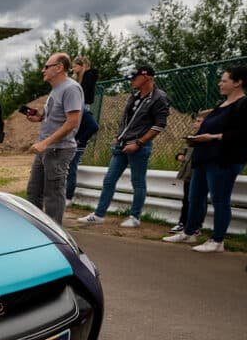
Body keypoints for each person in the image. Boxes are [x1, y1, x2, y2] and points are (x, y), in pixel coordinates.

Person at [163, 66, 247, 253]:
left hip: (224, 159)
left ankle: (217, 240)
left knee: (220, 198)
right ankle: (189, 232)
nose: (220, 83)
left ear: (238, 82)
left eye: (224, 80)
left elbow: (243, 134)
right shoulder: (220, 105)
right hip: (204, 157)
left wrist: (213, 137)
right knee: (195, 197)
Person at [78, 65, 169, 227]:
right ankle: (99, 215)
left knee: (138, 182)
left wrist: (139, 143)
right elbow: (126, 119)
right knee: (109, 180)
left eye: (135, 77)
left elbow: (159, 125)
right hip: (122, 144)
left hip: (139, 147)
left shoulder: (159, 97)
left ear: (147, 76)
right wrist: (118, 136)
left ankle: (135, 217)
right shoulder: (134, 96)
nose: (131, 80)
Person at [25, 53, 83, 223]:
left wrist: (45, 143)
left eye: (46, 66)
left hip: (58, 149)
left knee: (53, 194)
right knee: (34, 191)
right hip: (47, 148)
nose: (43, 70)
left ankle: (54, 232)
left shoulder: (70, 88)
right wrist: (40, 116)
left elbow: (72, 121)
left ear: (59, 67)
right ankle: (35, 228)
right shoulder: (56, 90)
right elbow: (57, 116)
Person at [168, 110, 210, 233]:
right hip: (188, 174)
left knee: (199, 200)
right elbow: (183, 152)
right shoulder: (192, 137)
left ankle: (197, 226)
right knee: (186, 198)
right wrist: (179, 156)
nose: (195, 124)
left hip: (200, 172)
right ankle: (182, 222)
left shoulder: (208, 138)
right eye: (195, 121)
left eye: (199, 121)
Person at [66, 56, 100, 205]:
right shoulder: (77, 81)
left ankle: (68, 196)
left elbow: (94, 126)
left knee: (71, 166)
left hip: (83, 107)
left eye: (74, 66)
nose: (72, 69)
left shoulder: (89, 75)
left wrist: (81, 139)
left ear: (82, 66)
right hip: (79, 107)